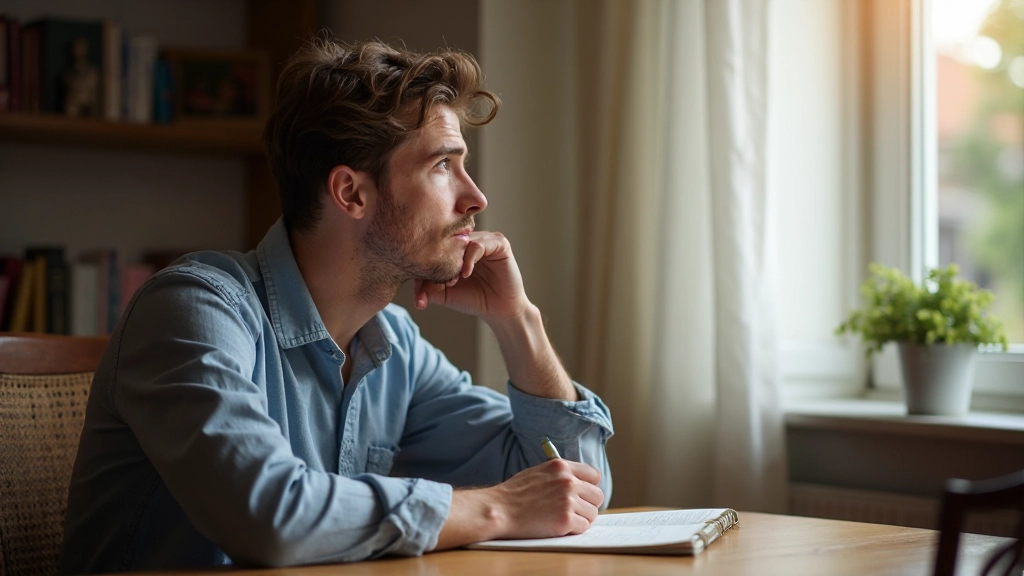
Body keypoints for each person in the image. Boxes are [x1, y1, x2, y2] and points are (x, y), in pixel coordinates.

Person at [58, 38, 614, 572]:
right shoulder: (194, 310)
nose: (476, 198)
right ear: (351, 193)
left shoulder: (395, 345)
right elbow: (270, 516)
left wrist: (518, 320)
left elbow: (572, 487)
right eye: (443, 166)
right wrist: (500, 507)